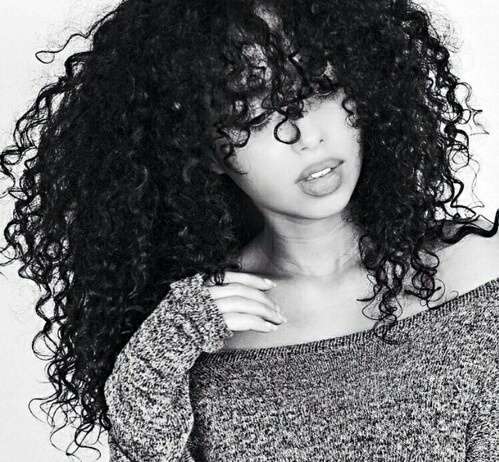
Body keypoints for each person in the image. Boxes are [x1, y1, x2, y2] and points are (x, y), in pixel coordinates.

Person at [1, 0, 498, 460]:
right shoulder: (194, 334)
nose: (305, 135)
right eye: (256, 116)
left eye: (320, 90)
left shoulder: (481, 273)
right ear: (206, 151)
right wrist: (159, 355)